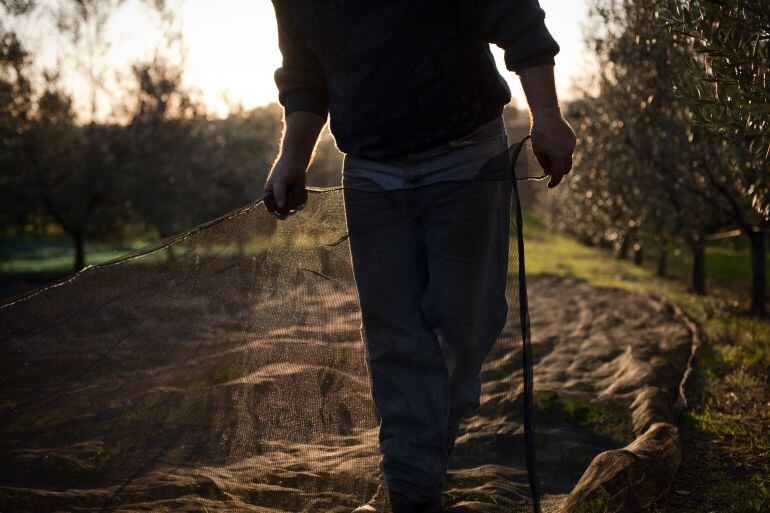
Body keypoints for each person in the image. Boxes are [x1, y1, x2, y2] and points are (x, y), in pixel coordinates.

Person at [265, 2, 576, 512]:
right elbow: (303, 75)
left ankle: (422, 456)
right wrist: (292, 158)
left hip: (467, 154)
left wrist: (548, 116)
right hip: (370, 171)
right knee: (394, 340)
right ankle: (410, 487)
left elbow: (515, 13)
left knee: (466, 325)